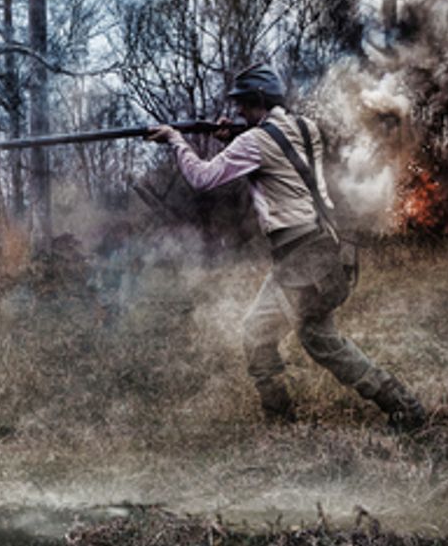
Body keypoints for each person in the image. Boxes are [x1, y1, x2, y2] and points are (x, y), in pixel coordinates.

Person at [147, 64, 426, 430]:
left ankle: (283, 424)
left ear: (258, 101)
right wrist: (234, 137)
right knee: (318, 340)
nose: (239, 111)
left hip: (301, 256)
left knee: (260, 333)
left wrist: (175, 140)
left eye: (244, 104)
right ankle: (401, 405)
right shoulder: (305, 128)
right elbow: (280, 155)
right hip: (327, 247)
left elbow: (202, 177)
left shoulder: (254, 141)